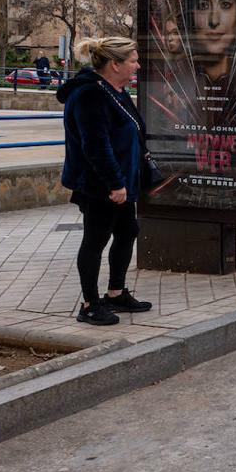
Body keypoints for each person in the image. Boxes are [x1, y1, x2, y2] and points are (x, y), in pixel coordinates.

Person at [58, 37, 154, 325]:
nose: (137, 65)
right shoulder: (89, 94)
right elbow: (95, 145)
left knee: (127, 231)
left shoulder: (115, 91)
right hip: (100, 184)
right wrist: (115, 184)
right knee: (95, 239)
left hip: (122, 181)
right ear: (115, 64)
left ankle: (115, 293)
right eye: (133, 60)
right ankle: (89, 304)